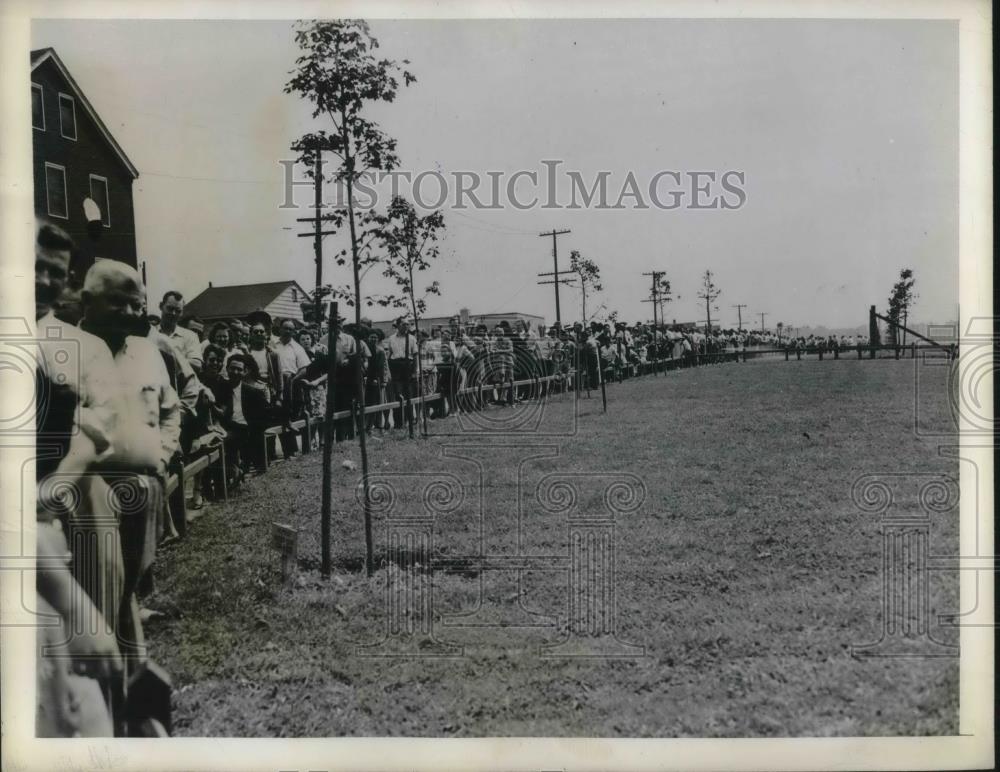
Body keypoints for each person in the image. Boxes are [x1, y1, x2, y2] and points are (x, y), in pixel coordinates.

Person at [34, 221, 122, 736]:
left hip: (78, 496)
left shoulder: (77, 344)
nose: (45, 281)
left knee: (90, 612)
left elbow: (98, 427)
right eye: (35, 267)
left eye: (56, 273)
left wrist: (56, 486)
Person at [79, 260, 180, 668]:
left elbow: (171, 409)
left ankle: (128, 668)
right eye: (116, 302)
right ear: (88, 302)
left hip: (145, 485)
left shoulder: (148, 353)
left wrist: (161, 454)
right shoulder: (66, 349)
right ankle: (112, 672)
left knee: (131, 584)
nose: (129, 313)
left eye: (135, 304)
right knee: (97, 590)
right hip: (89, 492)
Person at [157, 291, 203, 373]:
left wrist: (168, 359)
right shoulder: (150, 333)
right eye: (170, 309)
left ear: (182, 312)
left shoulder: (190, 336)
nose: (173, 313)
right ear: (161, 306)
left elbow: (197, 364)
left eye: (178, 311)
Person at [385, 317, 417, 430]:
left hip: (408, 366)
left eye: (407, 324)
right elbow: (388, 356)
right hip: (395, 367)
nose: (406, 326)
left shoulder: (412, 338)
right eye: (404, 324)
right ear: (397, 325)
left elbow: (415, 355)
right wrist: (388, 372)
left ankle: (409, 420)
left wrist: (414, 372)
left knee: (409, 394)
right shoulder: (391, 339)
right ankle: (398, 422)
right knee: (397, 394)